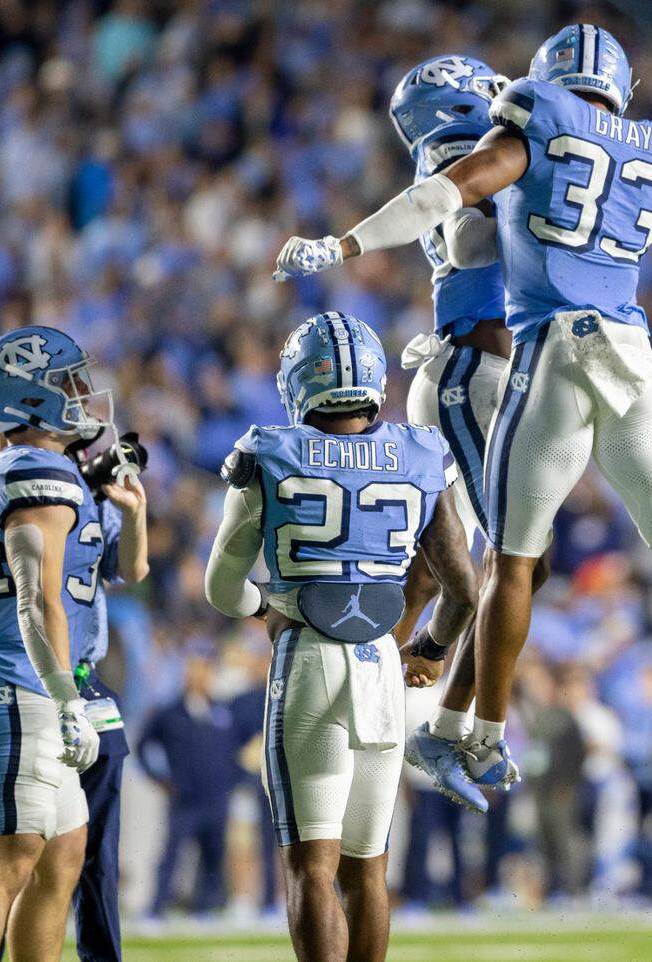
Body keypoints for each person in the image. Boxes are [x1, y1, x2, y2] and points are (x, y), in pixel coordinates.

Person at [274, 24, 652, 788]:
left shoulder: (527, 130)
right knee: (613, 546)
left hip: (532, 356)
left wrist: (346, 244)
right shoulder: (643, 146)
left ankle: (454, 718)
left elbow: (460, 223)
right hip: (579, 357)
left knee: (498, 562)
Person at [204, 311, 478, 962]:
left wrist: (266, 610)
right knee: (368, 870)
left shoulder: (268, 452)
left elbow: (221, 587)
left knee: (310, 867)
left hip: (307, 659)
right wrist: (430, 651)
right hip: (380, 661)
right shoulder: (419, 452)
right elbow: (463, 587)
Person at [0, 325, 145, 962]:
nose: (80, 394)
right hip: (20, 678)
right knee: (2, 861)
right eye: (65, 382)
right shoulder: (38, 469)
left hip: (29, 676)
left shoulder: (7, 468)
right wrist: (70, 699)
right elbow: (37, 598)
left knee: (63, 850)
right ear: (28, 398)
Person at [386, 54, 552, 816]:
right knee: (517, 561)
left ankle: (404, 675)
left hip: (473, 373)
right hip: (469, 374)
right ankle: (454, 724)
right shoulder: (455, 157)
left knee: (452, 568)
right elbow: (467, 244)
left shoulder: (463, 158)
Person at [137, 646, 239, 918]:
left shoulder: (222, 710)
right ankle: (156, 910)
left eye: (203, 671)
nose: (198, 677)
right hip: (184, 799)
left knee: (213, 856)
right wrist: (159, 779)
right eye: (193, 671)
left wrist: (234, 780)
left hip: (217, 797)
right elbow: (143, 745)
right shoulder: (169, 712)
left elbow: (236, 750)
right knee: (171, 855)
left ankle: (205, 909)